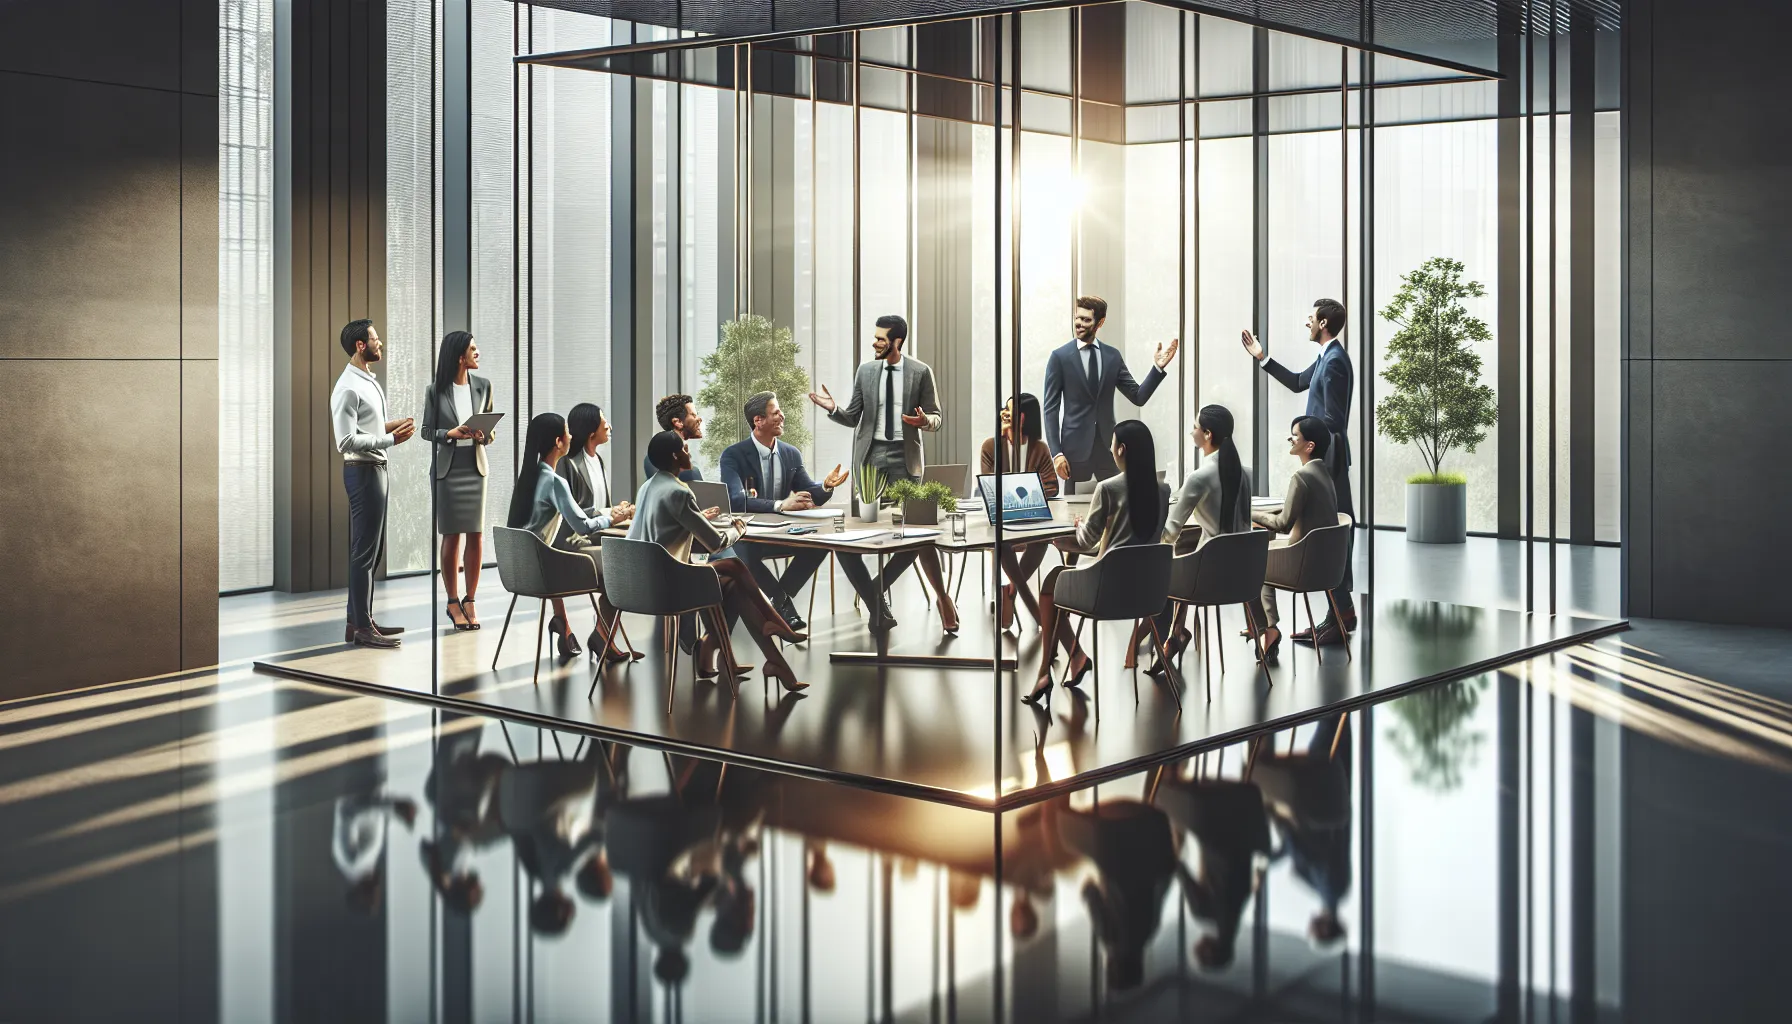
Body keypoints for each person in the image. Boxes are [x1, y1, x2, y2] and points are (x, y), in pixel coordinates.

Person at [808, 314, 960, 632]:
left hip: (906, 461)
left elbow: (937, 417)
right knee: (867, 529)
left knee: (917, 532)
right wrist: (833, 409)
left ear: (897, 342)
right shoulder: (865, 371)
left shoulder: (920, 372)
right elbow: (853, 417)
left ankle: (883, 590)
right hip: (870, 460)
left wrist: (925, 422)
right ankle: (877, 598)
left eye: (881, 338)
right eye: (875, 337)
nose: (875, 343)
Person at [723, 391, 914, 632]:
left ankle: (779, 604)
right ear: (758, 421)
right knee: (742, 551)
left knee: (822, 544)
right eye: (775, 413)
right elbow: (735, 499)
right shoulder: (733, 455)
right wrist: (780, 505)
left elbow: (810, 493)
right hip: (751, 535)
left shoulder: (790, 453)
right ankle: (783, 605)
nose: (782, 416)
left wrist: (825, 486)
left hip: (784, 533)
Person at [634, 429, 809, 690]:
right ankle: (773, 624)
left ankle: (774, 662)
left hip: (641, 580)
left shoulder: (648, 487)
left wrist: (698, 518)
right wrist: (738, 529)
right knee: (734, 566)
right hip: (669, 584)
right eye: (684, 448)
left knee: (733, 585)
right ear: (674, 456)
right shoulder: (679, 492)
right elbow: (715, 542)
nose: (688, 452)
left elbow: (666, 528)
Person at [1024, 420, 1170, 704]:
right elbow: (1128, 541)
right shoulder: (1162, 490)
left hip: (1105, 592)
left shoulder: (1108, 489)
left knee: (1051, 585)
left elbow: (1085, 541)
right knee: (1061, 584)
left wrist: (1076, 527)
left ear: (1122, 449)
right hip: (1148, 593)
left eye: (1112, 445)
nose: (1110, 450)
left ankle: (1049, 668)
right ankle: (1075, 658)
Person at [1242, 298, 1355, 644]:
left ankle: (1339, 614)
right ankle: (1341, 611)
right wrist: (1263, 358)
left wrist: (1306, 439)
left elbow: (1334, 420)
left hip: (1328, 460)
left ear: (1322, 323)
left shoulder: (1335, 362)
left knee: (1328, 536)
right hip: (1322, 457)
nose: (1307, 322)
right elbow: (1295, 382)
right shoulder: (1326, 358)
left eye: (1311, 318)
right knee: (1326, 534)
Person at [506, 412, 634, 658]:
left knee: (578, 555)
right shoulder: (554, 481)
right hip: (544, 572)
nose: (571, 436)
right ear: (558, 442)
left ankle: (562, 623)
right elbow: (583, 526)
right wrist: (614, 518)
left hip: (522, 569)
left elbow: (571, 513)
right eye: (567, 431)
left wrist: (603, 514)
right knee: (619, 566)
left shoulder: (528, 479)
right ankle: (602, 635)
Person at [1140, 404, 1254, 669]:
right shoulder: (1245, 473)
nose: (1191, 432)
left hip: (1208, 578)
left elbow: (1170, 532)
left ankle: (1155, 641)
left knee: (1165, 572)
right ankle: (1177, 632)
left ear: (1208, 434)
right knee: (1187, 561)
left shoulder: (1198, 478)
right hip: (1245, 574)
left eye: (1194, 427)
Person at [330, 318, 415, 649]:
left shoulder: (366, 380)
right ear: (360, 345)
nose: (382, 344)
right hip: (363, 473)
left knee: (372, 550)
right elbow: (345, 440)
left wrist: (389, 427)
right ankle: (363, 628)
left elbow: (367, 428)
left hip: (376, 470)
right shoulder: (348, 387)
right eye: (375, 339)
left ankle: (358, 621)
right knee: (364, 553)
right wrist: (390, 440)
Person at [1042, 296, 1179, 491]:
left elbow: (1138, 396)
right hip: (1073, 452)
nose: (1079, 324)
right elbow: (1051, 410)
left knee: (1115, 508)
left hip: (1109, 450)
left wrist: (1157, 368)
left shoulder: (1112, 356)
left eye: (1086, 320)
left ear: (1100, 322)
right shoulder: (1059, 357)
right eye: (1077, 318)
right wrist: (1056, 453)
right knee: (1073, 510)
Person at [1246, 416, 1340, 663]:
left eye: (1295, 436)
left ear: (1309, 446)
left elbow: (1283, 524)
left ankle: (1268, 627)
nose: (1290, 439)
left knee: (1252, 563)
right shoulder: (1324, 474)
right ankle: (1263, 625)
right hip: (1326, 563)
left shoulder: (1302, 477)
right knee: (1262, 554)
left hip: (1302, 564)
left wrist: (1247, 511)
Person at [422, 330, 496, 632]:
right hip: (448, 470)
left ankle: (470, 600)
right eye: (473, 349)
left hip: (475, 467)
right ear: (458, 355)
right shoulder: (435, 390)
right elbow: (427, 431)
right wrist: (449, 434)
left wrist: (484, 434)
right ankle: (452, 602)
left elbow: (491, 431)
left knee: (476, 535)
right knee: (451, 536)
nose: (477, 353)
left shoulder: (484, 386)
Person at [559, 403, 633, 659]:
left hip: (596, 534)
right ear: (591, 432)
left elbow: (597, 507)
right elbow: (574, 514)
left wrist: (615, 510)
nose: (609, 426)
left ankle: (602, 635)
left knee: (632, 555)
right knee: (620, 568)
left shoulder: (598, 460)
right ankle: (602, 637)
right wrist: (610, 514)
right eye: (604, 423)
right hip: (573, 541)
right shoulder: (566, 464)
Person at [981, 393, 1058, 630]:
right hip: (1002, 520)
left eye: (1009, 409)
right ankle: (1035, 611)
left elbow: (1052, 486)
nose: (1004, 412)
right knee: (1001, 543)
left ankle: (1012, 590)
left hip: (1031, 520)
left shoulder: (1040, 448)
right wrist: (1027, 487)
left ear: (1022, 418)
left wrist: (1016, 489)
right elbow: (988, 483)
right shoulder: (991, 446)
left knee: (1043, 540)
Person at [643, 393, 706, 484]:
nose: (699, 419)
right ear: (677, 422)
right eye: (693, 415)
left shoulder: (651, 458)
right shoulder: (689, 472)